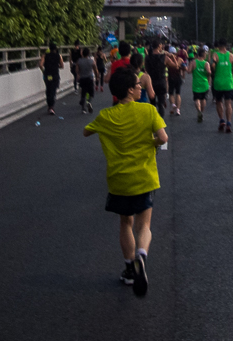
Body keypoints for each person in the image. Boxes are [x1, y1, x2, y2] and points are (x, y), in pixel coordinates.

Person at [83, 66, 168, 297]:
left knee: (125, 224)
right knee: (144, 226)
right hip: (145, 177)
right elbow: (163, 138)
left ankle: (130, 269)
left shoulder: (105, 117)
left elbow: (86, 132)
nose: (141, 88)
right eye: (138, 85)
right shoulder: (148, 111)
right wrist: (149, 142)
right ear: (130, 90)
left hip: (119, 180)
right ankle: (142, 254)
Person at [210, 39, 233, 133]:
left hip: (218, 82)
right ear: (226, 45)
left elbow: (212, 65)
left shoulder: (215, 54)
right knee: (228, 104)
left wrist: (215, 68)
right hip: (229, 83)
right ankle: (229, 122)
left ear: (218, 46)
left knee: (219, 102)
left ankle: (222, 120)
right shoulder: (231, 55)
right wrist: (231, 71)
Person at [144, 40, 173, 118]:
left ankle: (153, 120)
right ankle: (160, 123)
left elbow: (145, 70)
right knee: (160, 104)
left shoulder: (147, 57)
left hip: (151, 82)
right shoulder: (164, 57)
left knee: (152, 104)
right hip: (161, 82)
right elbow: (174, 66)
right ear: (159, 45)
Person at [39, 42, 64, 115]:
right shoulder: (59, 56)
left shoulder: (45, 56)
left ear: (49, 49)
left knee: (48, 89)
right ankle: (51, 107)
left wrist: (44, 71)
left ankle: (49, 105)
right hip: (55, 74)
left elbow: (41, 65)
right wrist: (56, 66)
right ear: (56, 49)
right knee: (53, 90)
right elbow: (62, 66)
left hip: (48, 75)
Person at [190, 47, 212, 122]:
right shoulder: (206, 63)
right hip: (204, 84)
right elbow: (209, 72)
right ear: (203, 55)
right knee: (203, 99)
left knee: (197, 99)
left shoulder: (193, 62)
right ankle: (201, 112)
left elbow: (189, 71)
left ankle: (198, 111)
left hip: (196, 84)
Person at [76, 46, 99, 114]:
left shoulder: (79, 61)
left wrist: (78, 74)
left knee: (83, 93)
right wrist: (97, 77)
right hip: (90, 78)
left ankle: (83, 108)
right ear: (88, 53)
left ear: (82, 53)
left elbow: (77, 70)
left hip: (82, 79)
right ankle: (89, 102)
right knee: (91, 93)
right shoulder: (91, 61)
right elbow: (96, 70)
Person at [166, 46, 185, 117]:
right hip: (178, 77)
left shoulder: (168, 60)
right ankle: (178, 109)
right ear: (175, 53)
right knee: (178, 94)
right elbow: (184, 67)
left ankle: (173, 104)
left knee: (171, 94)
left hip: (171, 78)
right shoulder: (180, 59)